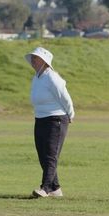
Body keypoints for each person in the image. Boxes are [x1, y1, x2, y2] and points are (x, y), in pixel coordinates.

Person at [24, 47, 75, 198]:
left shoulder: (52, 77)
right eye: (32, 58)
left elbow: (65, 97)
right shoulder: (36, 77)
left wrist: (71, 114)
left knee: (51, 155)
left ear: (44, 61)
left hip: (56, 119)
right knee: (43, 155)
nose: (33, 60)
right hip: (40, 119)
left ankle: (45, 188)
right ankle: (55, 188)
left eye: (36, 58)